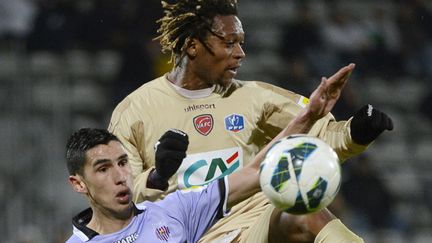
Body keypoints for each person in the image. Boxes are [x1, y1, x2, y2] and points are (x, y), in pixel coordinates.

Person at [108, 0, 393, 242]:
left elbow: (316, 138)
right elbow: (118, 195)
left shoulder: (255, 97)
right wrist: (157, 175)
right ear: (193, 47)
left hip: (253, 225)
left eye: (241, 44)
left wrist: (355, 132)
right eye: (229, 43)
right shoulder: (136, 110)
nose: (240, 53)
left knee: (305, 210)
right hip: (190, 234)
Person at [66, 76, 353, 242]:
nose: (119, 176)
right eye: (103, 168)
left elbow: (254, 171)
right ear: (78, 184)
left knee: (305, 210)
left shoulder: (173, 211)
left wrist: (307, 116)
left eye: (123, 163)